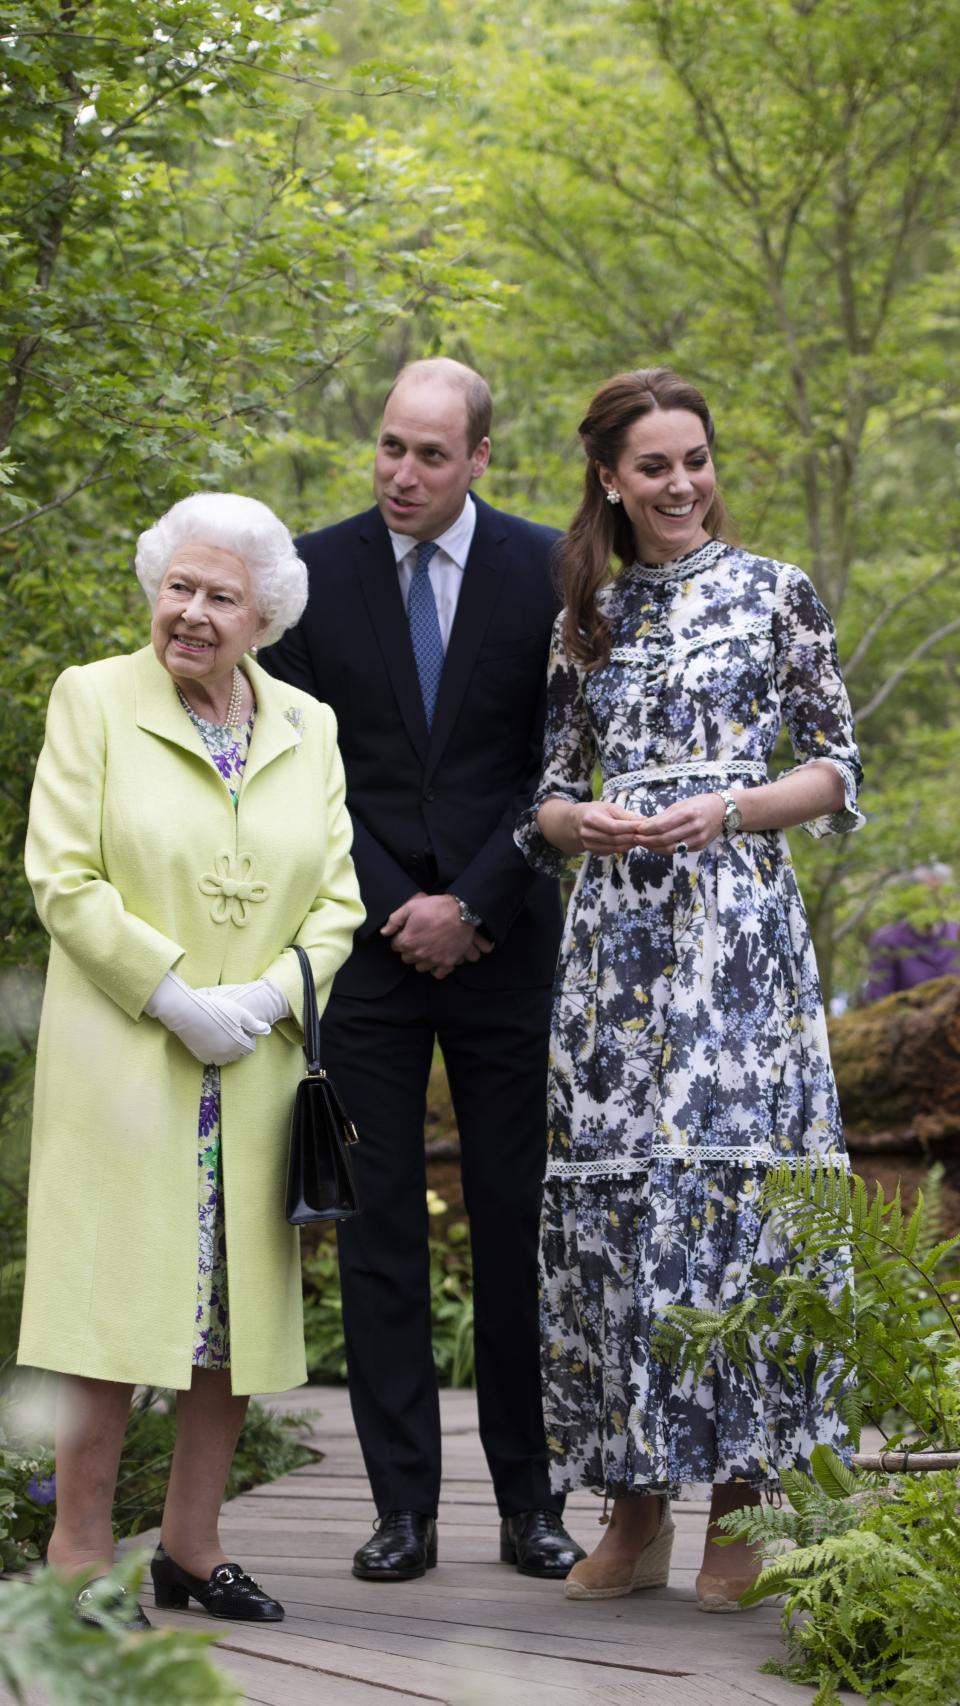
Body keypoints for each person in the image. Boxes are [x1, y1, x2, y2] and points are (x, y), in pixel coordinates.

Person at [515, 368, 864, 1612]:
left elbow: (833, 766)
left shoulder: (777, 593)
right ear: (610, 475)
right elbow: (545, 793)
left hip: (737, 935)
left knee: (736, 1197)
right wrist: (580, 821)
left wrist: (728, 807)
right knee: (619, 1213)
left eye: (696, 460)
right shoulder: (583, 616)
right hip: (616, 954)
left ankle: (741, 1500)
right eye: (654, 465)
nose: (680, 484)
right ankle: (635, 1504)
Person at [258, 357, 584, 1583]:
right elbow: (296, 769)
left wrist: (481, 899)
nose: (401, 473)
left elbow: (563, 755)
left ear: (482, 458)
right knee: (380, 1233)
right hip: (372, 952)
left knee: (516, 1225)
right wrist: (407, 906)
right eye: (391, 447)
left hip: (508, 945)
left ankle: (530, 1503)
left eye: (431, 455)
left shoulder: (553, 571)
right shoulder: (310, 573)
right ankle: (403, 1510)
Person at [18, 492, 364, 1627]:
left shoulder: (307, 723)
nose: (193, 613)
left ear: (263, 614)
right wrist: (170, 993)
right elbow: (63, 875)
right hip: (129, 1059)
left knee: (229, 1317)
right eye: (179, 586)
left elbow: (339, 896)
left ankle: (191, 1543)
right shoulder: (96, 698)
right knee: (109, 1314)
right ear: (153, 588)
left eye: (221, 596)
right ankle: (78, 1550)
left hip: (254, 1069)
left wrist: (268, 996)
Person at [862, 863, 960, 1000]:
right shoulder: (888, 940)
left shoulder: (957, 935)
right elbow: (878, 1001)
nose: (933, 900)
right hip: (905, 1019)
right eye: (926, 893)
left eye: (938, 893)